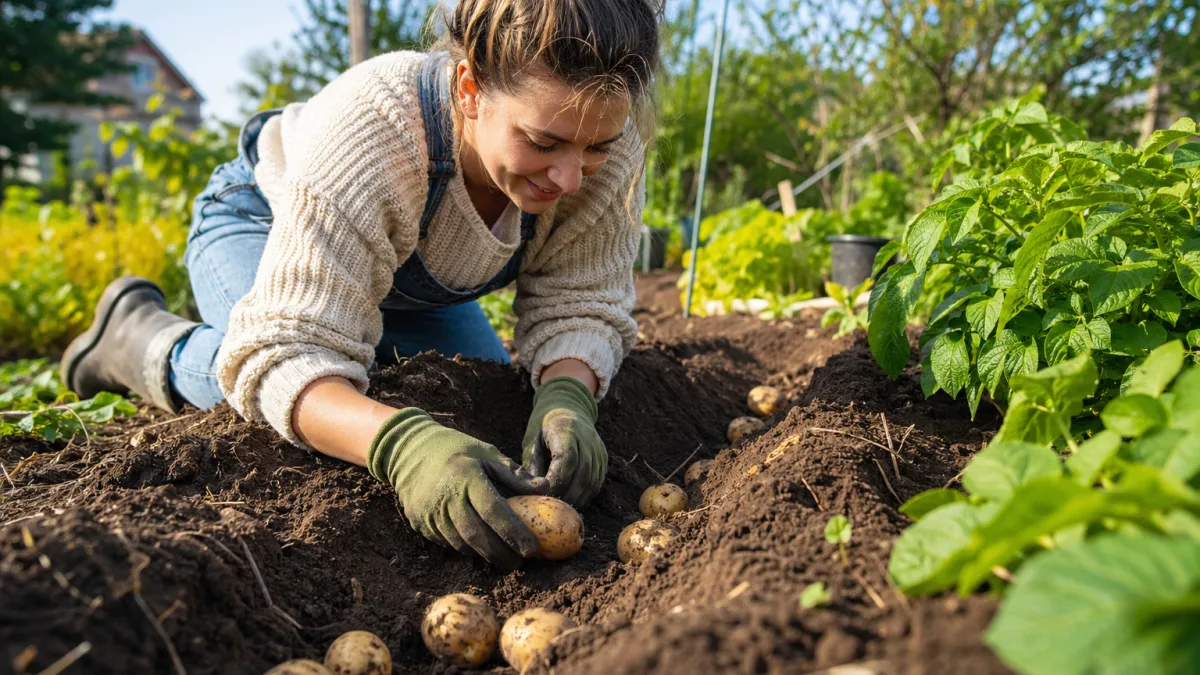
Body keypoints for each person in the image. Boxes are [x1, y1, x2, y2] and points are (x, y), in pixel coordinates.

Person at [60, 0, 661, 569]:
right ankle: (140, 342)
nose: (569, 174)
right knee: (274, 407)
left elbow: (581, 300)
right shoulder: (381, 126)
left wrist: (568, 396)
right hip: (264, 224)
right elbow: (282, 349)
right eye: (542, 142)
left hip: (401, 279)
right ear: (470, 90)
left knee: (476, 403)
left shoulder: (599, 146)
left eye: (597, 147)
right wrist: (400, 447)